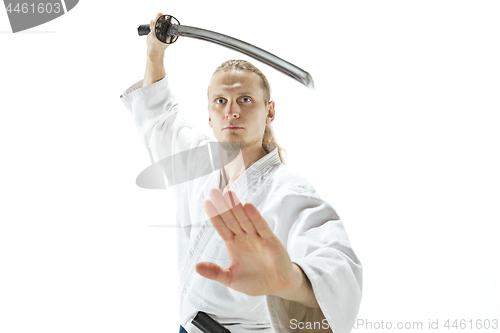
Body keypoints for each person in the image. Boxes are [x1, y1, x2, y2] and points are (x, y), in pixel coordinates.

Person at [120, 12, 362, 333]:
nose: (231, 110)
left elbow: (336, 262)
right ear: (209, 115)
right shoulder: (196, 163)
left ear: (269, 111)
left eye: (245, 99)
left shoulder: (289, 191)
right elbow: (157, 117)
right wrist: (155, 51)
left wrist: (291, 282)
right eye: (220, 101)